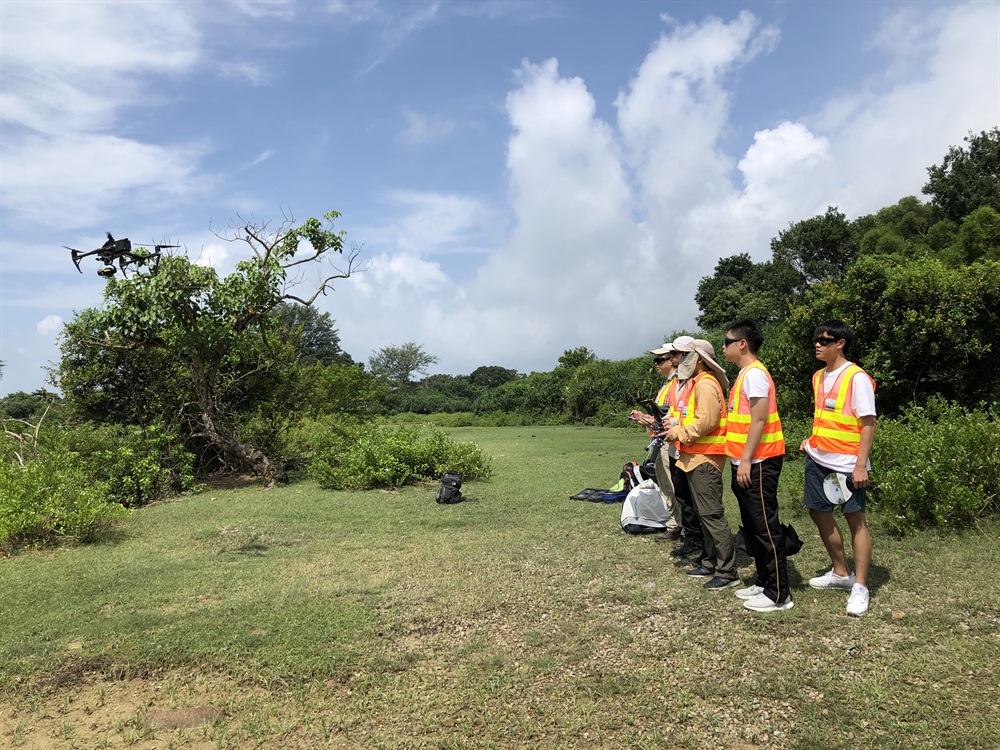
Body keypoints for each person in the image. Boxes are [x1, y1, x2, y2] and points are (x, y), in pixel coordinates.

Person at [800, 320, 876, 617]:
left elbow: (868, 422)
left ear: (840, 343)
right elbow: (825, 416)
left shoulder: (856, 378)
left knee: (855, 519)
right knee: (818, 512)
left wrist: (860, 465)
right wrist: (811, 442)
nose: (818, 344)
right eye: (816, 339)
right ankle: (841, 572)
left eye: (825, 340)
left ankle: (860, 586)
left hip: (847, 464)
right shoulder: (818, 377)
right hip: (818, 458)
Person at [721, 319, 792, 612]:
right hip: (745, 460)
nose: (722, 347)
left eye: (726, 342)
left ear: (742, 344)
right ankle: (765, 582)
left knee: (765, 526)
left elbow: (760, 419)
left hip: (759, 461)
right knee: (752, 525)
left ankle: (779, 594)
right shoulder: (743, 375)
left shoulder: (755, 375)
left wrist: (747, 460)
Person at [663, 339, 738, 591]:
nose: (680, 359)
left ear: (699, 359)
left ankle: (727, 570)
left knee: (711, 515)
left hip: (705, 459)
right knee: (702, 514)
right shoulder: (697, 383)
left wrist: (679, 433)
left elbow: (706, 422)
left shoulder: (706, 384)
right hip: (693, 458)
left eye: (685, 355)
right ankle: (709, 561)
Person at [630, 343, 682, 541]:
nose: (656, 364)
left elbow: (672, 415)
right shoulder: (667, 384)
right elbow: (661, 414)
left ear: (672, 360)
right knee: (666, 485)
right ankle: (675, 523)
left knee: (672, 485)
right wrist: (645, 417)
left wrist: (650, 419)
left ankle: (678, 525)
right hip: (661, 440)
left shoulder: (676, 383)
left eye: (660, 360)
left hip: (669, 441)